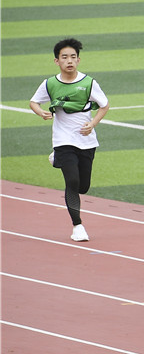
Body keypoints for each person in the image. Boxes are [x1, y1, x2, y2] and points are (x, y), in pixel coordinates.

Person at [29, 38, 110, 242]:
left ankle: (56, 159)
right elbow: (34, 101)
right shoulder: (50, 83)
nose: (69, 61)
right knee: (72, 182)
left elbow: (104, 105)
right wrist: (41, 112)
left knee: (83, 187)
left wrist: (93, 124)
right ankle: (78, 226)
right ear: (57, 61)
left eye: (73, 57)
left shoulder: (89, 83)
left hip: (86, 140)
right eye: (64, 57)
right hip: (63, 140)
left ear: (78, 60)